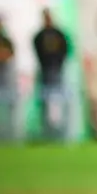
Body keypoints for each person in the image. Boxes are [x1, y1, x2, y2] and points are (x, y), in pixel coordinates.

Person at [33, 8, 70, 140]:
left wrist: (59, 64)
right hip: (45, 71)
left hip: (57, 70)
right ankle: (46, 129)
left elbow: (65, 49)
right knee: (45, 101)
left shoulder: (57, 34)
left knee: (58, 101)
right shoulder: (40, 35)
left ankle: (59, 130)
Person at [0, 15, 17, 142]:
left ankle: (11, 135)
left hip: (6, 80)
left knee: (9, 109)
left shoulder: (6, 40)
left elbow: (9, 54)